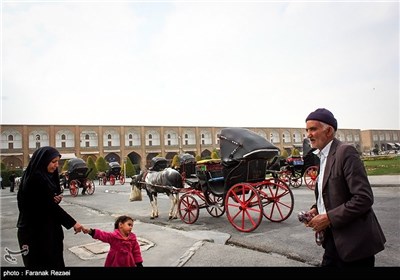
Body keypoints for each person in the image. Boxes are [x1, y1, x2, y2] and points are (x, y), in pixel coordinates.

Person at [303, 108, 386, 267]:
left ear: (328, 131)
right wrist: (316, 209)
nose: (308, 134)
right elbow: (331, 192)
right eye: (307, 130)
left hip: (354, 244)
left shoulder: (345, 152)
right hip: (333, 240)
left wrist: (328, 217)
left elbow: (363, 198)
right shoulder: (322, 156)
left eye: (313, 129)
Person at [16, 146, 84, 268]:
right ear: (43, 161)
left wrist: (53, 199)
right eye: (53, 162)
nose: (56, 165)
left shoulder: (45, 176)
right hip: (34, 233)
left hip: (48, 231)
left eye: (57, 161)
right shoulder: (35, 178)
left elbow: (43, 203)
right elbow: (46, 206)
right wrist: (73, 223)